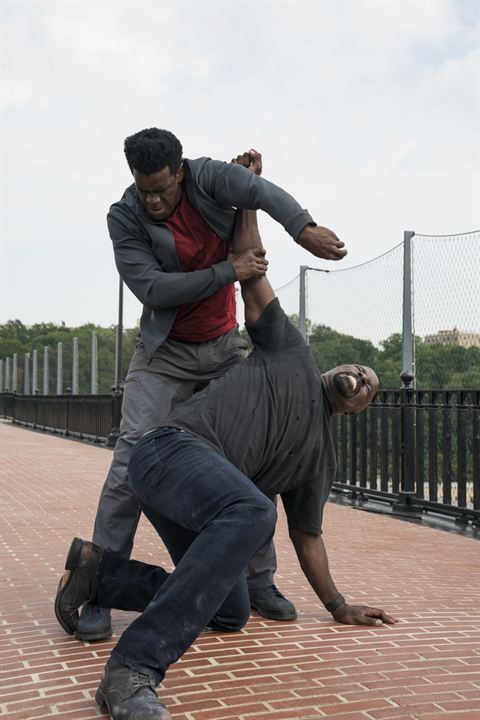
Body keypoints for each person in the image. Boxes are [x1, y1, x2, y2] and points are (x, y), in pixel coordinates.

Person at [55, 204, 397, 720]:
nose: (362, 374)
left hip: (188, 495)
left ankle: (98, 575)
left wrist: (337, 605)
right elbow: (250, 270)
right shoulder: (291, 352)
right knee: (257, 509)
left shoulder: (319, 458)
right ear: (334, 367)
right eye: (358, 366)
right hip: (167, 448)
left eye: (370, 383)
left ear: (358, 408)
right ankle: (132, 668)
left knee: (231, 610)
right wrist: (249, 202)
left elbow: (308, 536)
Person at [78, 128, 348, 641]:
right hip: (164, 355)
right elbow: (154, 288)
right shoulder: (124, 216)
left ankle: (258, 579)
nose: (153, 200)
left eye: (162, 188)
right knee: (131, 458)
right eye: (144, 189)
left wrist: (303, 228)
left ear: (180, 171)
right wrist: (230, 269)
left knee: (246, 459)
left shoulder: (207, 177)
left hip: (224, 349)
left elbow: (259, 193)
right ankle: (98, 581)